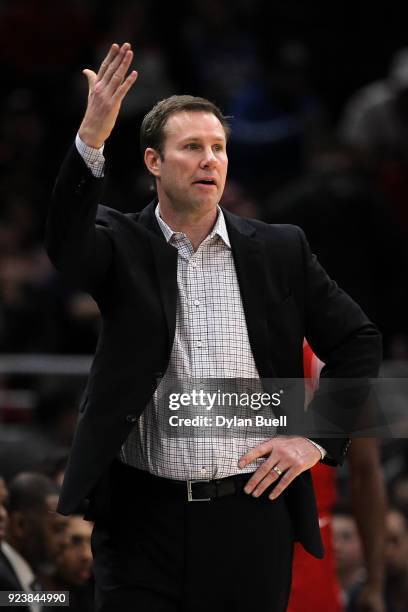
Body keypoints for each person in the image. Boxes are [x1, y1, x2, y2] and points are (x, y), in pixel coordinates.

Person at [45, 42, 382, 612]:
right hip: (139, 518)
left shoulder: (280, 250)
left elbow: (358, 341)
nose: (210, 160)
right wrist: (92, 138)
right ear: (153, 162)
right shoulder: (120, 243)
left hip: (248, 517)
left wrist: (315, 439)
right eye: (192, 147)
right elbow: (65, 247)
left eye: (219, 148)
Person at [0, 473, 68, 612]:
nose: (65, 541)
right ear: (21, 525)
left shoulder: (35, 579)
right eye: (57, 529)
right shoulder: (3, 577)